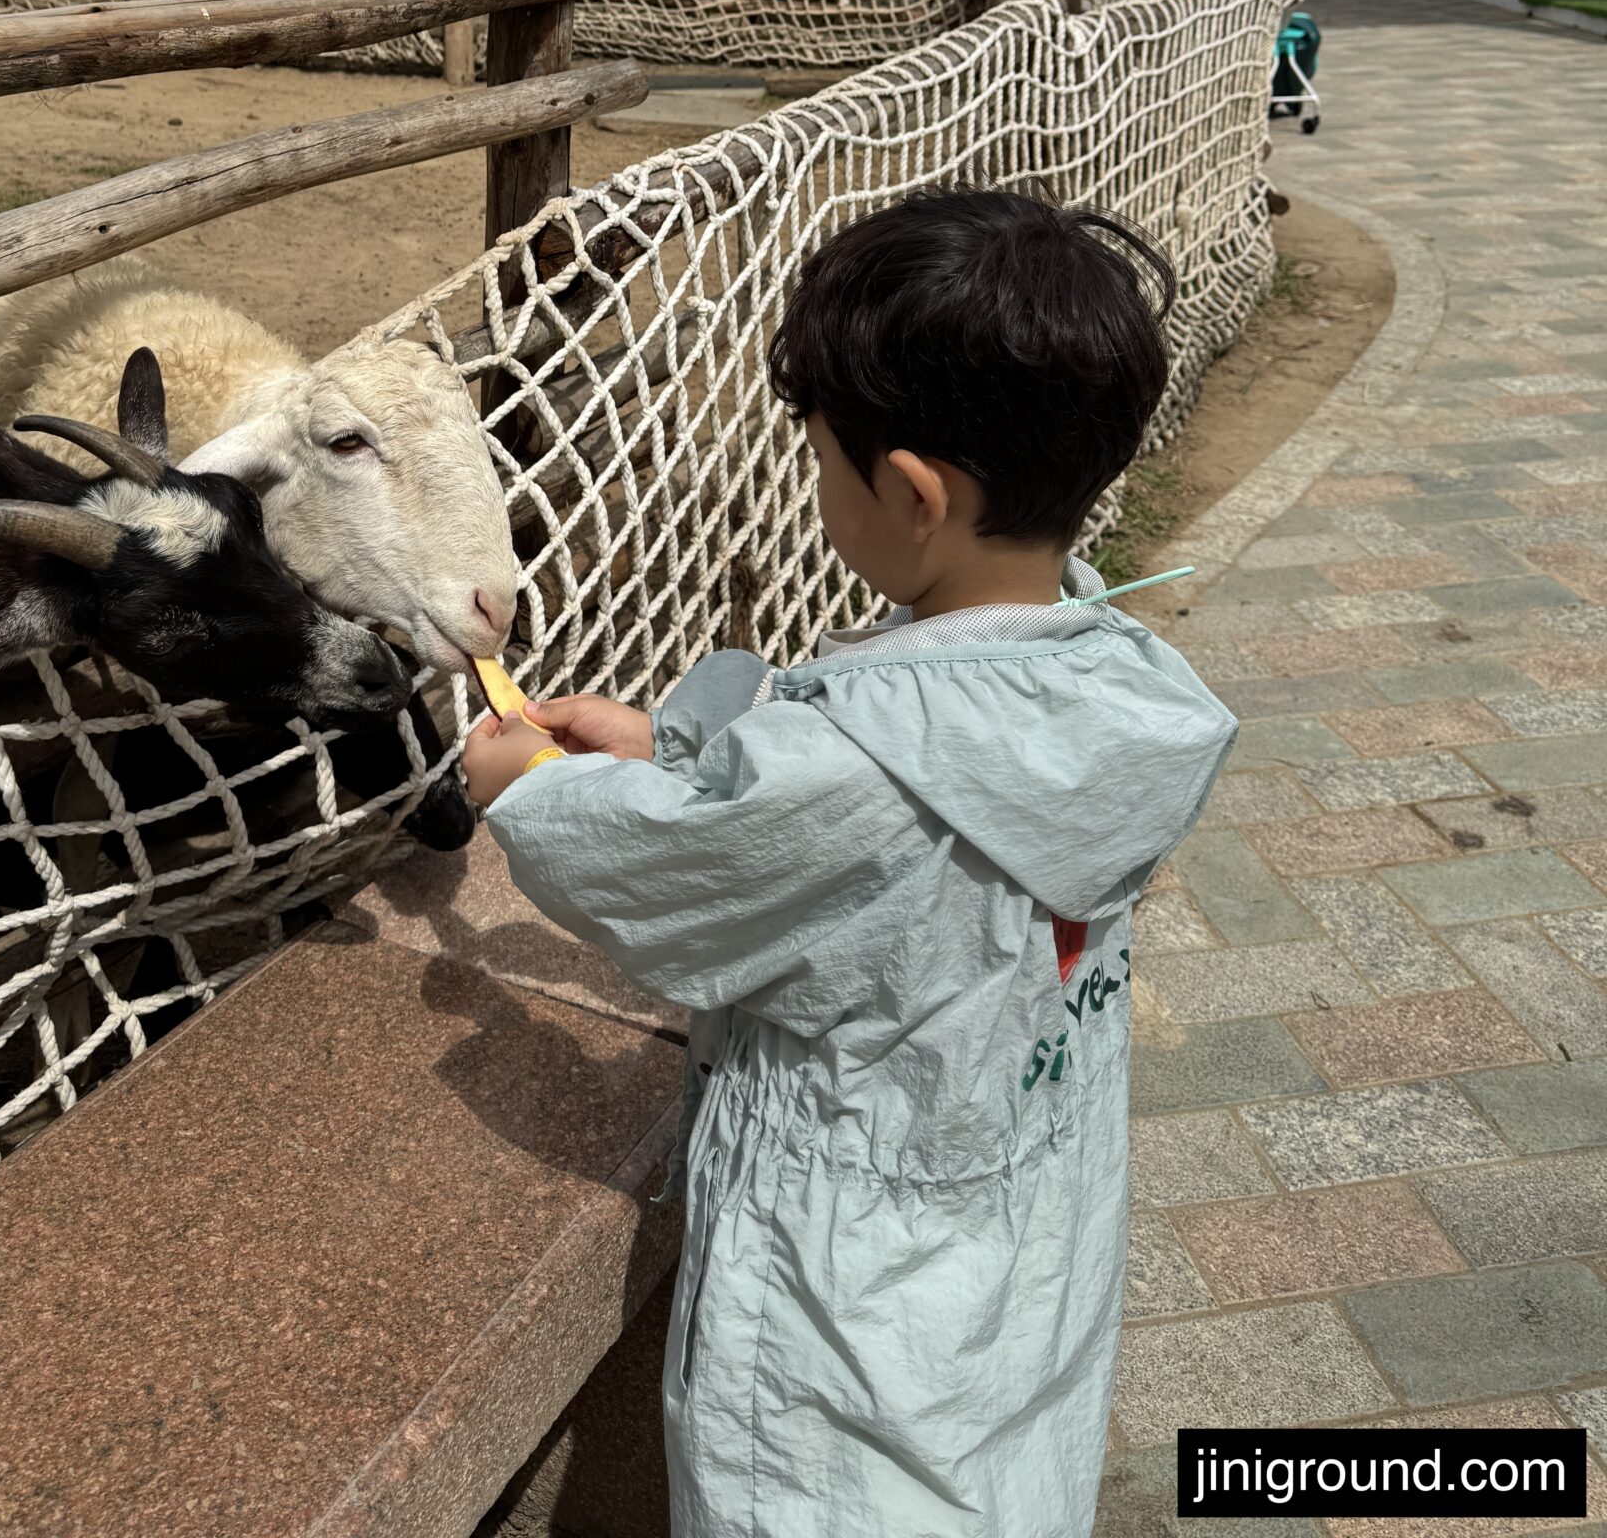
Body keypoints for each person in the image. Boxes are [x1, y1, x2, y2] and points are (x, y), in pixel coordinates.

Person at [463, 188, 1236, 1536]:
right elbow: (900, 775)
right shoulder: (1111, 684)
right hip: (1021, 1263)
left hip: (843, 1355)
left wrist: (533, 786)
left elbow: (684, 869)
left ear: (913, 495)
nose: (820, 491)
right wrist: (673, 736)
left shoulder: (853, 775)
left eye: (823, 465)